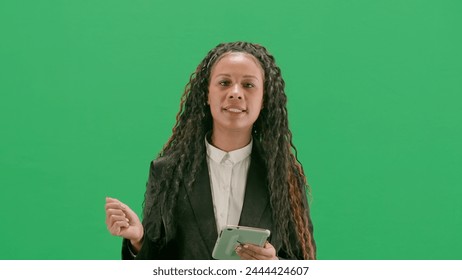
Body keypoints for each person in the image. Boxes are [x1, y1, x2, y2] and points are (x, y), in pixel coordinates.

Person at [105, 41, 316, 260]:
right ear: (207, 94)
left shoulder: (283, 176)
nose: (235, 93)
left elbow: (303, 262)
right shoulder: (168, 172)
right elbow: (157, 264)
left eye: (248, 85)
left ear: (264, 100)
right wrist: (138, 240)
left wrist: (273, 265)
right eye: (224, 83)